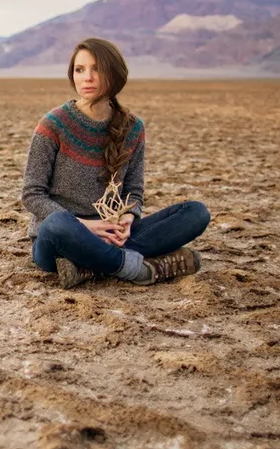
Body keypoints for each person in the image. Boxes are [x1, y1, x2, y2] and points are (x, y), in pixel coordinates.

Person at [21, 38, 210, 289]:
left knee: (195, 213)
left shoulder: (133, 128)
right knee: (56, 224)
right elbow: (32, 195)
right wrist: (85, 226)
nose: (87, 77)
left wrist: (129, 218)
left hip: (113, 236)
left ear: (115, 74)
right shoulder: (54, 124)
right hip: (60, 240)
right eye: (80, 70)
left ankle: (89, 267)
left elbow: (134, 190)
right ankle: (133, 268)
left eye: (96, 68)